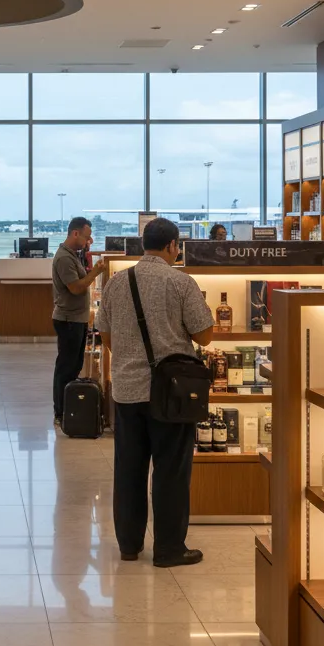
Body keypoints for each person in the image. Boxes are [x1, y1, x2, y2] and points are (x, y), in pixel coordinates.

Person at [97, 217, 214, 567]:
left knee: (129, 469)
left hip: (127, 390)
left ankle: (129, 546)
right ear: (173, 246)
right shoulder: (180, 282)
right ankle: (168, 548)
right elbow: (204, 334)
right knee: (171, 471)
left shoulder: (117, 282)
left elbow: (105, 336)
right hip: (172, 394)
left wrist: (131, 360)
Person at [51, 217, 107, 424]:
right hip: (69, 320)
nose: (88, 241)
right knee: (66, 367)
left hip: (76, 318)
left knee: (74, 366)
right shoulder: (64, 258)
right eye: (86, 236)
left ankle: (68, 407)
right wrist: (96, 272)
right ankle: (61, 411)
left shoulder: (72, 255)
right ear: (75, 234)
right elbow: (75, 287)